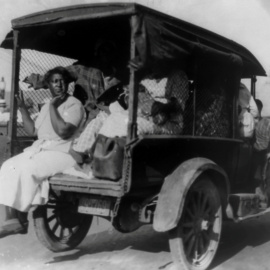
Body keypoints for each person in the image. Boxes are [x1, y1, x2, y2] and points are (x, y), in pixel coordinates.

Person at [0, 66, 85, 238]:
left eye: (62, 81)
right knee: (8, 165)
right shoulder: (46, 106)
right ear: (48, 85)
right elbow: (33, 132)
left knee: (28, 169)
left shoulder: (74, 104)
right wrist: (23, 108)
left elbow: (63, 132)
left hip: (64, 153)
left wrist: (53, 107)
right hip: (43, 150)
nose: (59, 85)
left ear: (67, 83)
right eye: (54, 81)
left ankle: (21, 218)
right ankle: (13, 220)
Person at [24, 40, 122, 123]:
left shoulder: (119, 78)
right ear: (97, 52)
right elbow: (60, 74)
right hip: (83, 116)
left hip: (107, 119)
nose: (106, 54)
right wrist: (38, 80)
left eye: (110, 51)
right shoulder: (83, 69)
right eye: (103, 50)